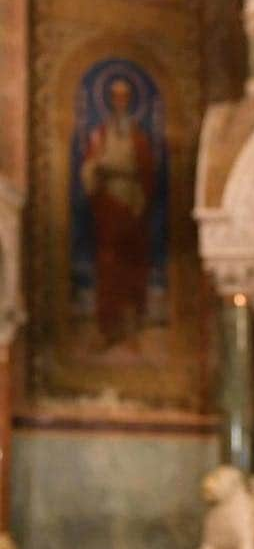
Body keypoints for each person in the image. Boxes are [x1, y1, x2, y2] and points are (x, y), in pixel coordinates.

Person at [79, 76, 155, 346]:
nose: (119, 101)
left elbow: (147, 170)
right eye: (115, 96)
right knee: (109, 266)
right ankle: (108, 328)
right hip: (108, 207)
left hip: (132, 204)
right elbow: (90, 167)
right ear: (110, 100)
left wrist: (131, 177)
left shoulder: (138, 136)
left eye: (124, 97)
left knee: (132, 265)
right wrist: (96, 169)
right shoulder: (100, 134)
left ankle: (133, 326)